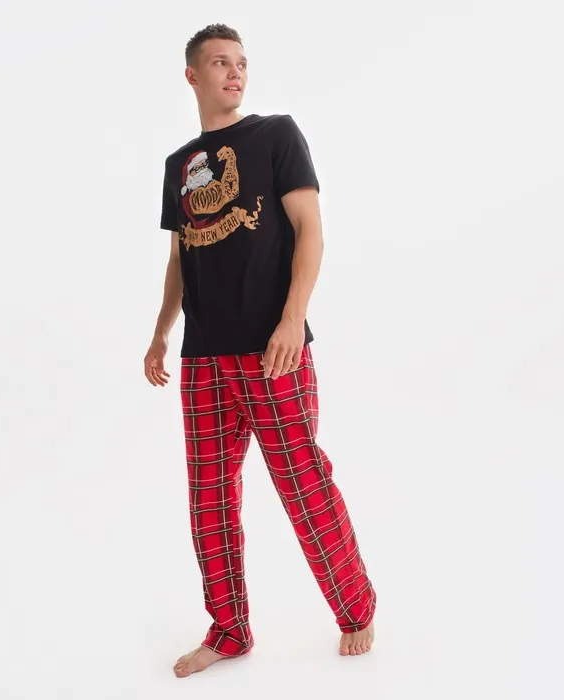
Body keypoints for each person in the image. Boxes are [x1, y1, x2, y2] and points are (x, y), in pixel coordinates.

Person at [143, 23, 377, 678]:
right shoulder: (178, 166)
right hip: (203, 357)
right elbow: (180, 257)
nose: (235, 72)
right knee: (209, 498)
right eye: (220, 62)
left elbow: (310, 230)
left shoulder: (276, 135)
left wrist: (292, 320)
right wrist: (161, 332)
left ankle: (356, 609)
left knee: (303, 483)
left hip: (271, 349)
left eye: (241, 63)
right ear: (192, 75)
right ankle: (229, 630)